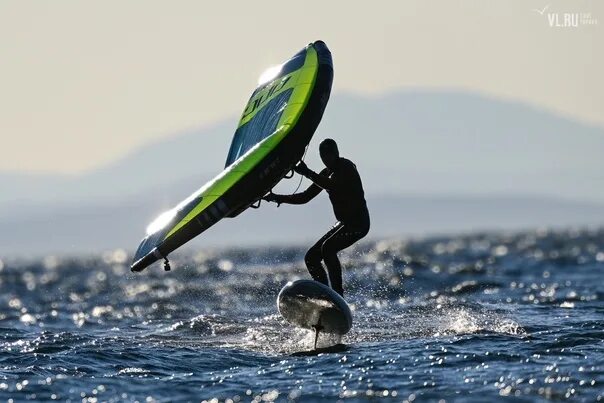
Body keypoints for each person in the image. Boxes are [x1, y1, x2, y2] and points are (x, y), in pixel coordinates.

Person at [263, 138, 370, 297]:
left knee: (327, 248)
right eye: (323, 156)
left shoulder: (346, 167)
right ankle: (324, 295)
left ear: (336, 153)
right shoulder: (326, 173)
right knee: (311, 258)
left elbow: (332, 185)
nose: (326, 159)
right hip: (343, 223)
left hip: (358, 224)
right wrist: (278, 198)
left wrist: (307, 172)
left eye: (329, 155)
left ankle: (337, 295)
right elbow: (305, 197)